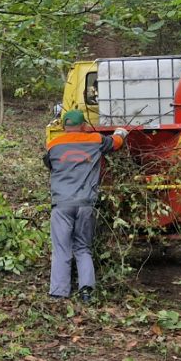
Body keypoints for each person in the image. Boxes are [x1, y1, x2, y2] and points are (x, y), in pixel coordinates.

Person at [44, 109, 124, 300]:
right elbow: (115, 143)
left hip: (61, 204)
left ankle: (59, 293)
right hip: (86, 204)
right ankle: (86, 291)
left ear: (64, 127)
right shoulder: (95, 140)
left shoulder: (53, 144)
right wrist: (121, 132)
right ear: (84, 126)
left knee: (62, 249)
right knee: (82, 247)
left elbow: (49, 164)